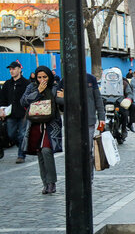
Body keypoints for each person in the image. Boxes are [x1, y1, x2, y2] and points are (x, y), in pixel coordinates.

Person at [20, 66, 63, 194]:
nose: (42, 80)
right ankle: (45, 183)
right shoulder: (32, 87)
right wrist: (38, 92)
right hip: (35, 124)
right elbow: (23, 101)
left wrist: (63, 96)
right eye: (39, 77)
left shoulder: (54, 87)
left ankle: (51, 182)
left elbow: (62, 102)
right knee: (40, 153)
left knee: (46, 150)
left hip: (51, 125)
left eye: (45, 77)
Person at [57, 73, 106, 178]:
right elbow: (57, 98)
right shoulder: (65, 80)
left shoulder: (90, 79)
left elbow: (98, 99)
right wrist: (67, 98)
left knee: (87, 152)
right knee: (74, 152)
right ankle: (76, 177)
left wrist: (102, 118)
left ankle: (89, 178)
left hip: (89, 122)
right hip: (72, 123)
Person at [0, 61, 30, 163]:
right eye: (10, 69)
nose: (11, 71)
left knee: (22, 134)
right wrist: (1, 109)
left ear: (19, 69)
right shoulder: (7, 84)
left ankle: (21, 155)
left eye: (13, 69)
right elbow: (3, 98)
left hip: (23, 114)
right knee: (10, 134)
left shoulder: (27, 83)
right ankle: (21, 144)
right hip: (11, 114)